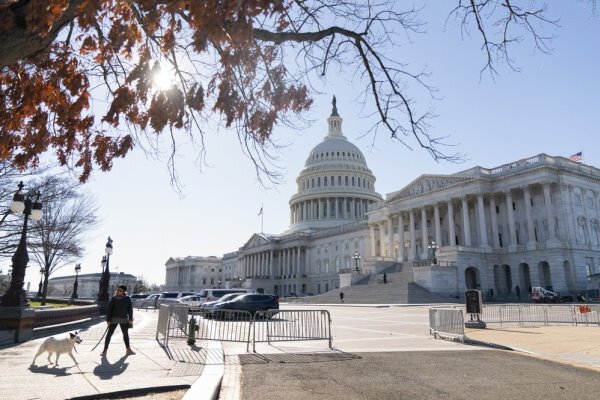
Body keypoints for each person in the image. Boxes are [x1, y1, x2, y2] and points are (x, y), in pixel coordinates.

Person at [101, 285, 135, 357]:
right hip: (113, 319)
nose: (118, 292)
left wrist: (131, 318)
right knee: (109, 335)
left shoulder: (127, 299)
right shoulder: (113, 298)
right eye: (118, 290)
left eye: (120, 290)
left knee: (125, 335)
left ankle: (128, 350)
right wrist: (108, 320)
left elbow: (130, 309)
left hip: (124, 319)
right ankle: (105, 350)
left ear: (124, 292)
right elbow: (109, 309)